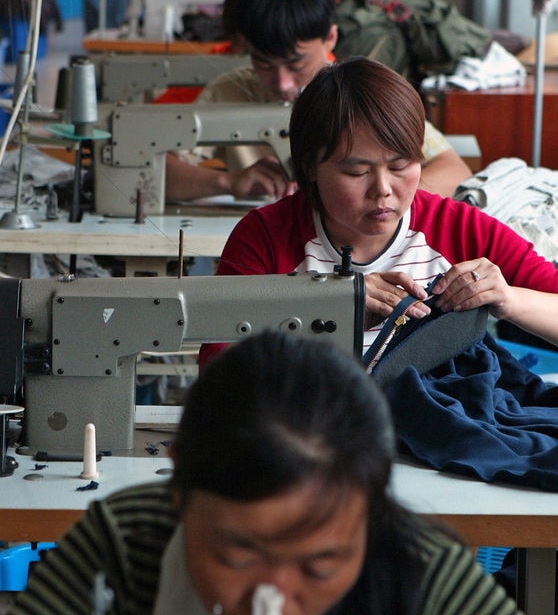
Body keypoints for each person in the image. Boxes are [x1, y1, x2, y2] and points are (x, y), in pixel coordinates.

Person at [8, 330, 521, 615]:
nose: (269, 604)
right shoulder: (126, 541)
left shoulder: (427, 581)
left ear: (372, 517)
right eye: (235, 556)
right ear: (179, 491)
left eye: (319, 568)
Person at [198, 58, 558, 368]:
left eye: (401, 166)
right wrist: (324, 313)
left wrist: (508, 298)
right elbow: (218, 369)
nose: (382, 189)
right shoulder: (263, 237)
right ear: (308, 167)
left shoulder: (460, 229)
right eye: (357, 172)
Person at [165, 0, 471, 202]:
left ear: (331, 38)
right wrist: (229, 182)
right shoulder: (229, 90)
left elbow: (454, 170)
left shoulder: (363, 91)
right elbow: (158, 170)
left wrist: (382, 197)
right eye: (263, 64)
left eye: (296, 64)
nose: (282, 83)